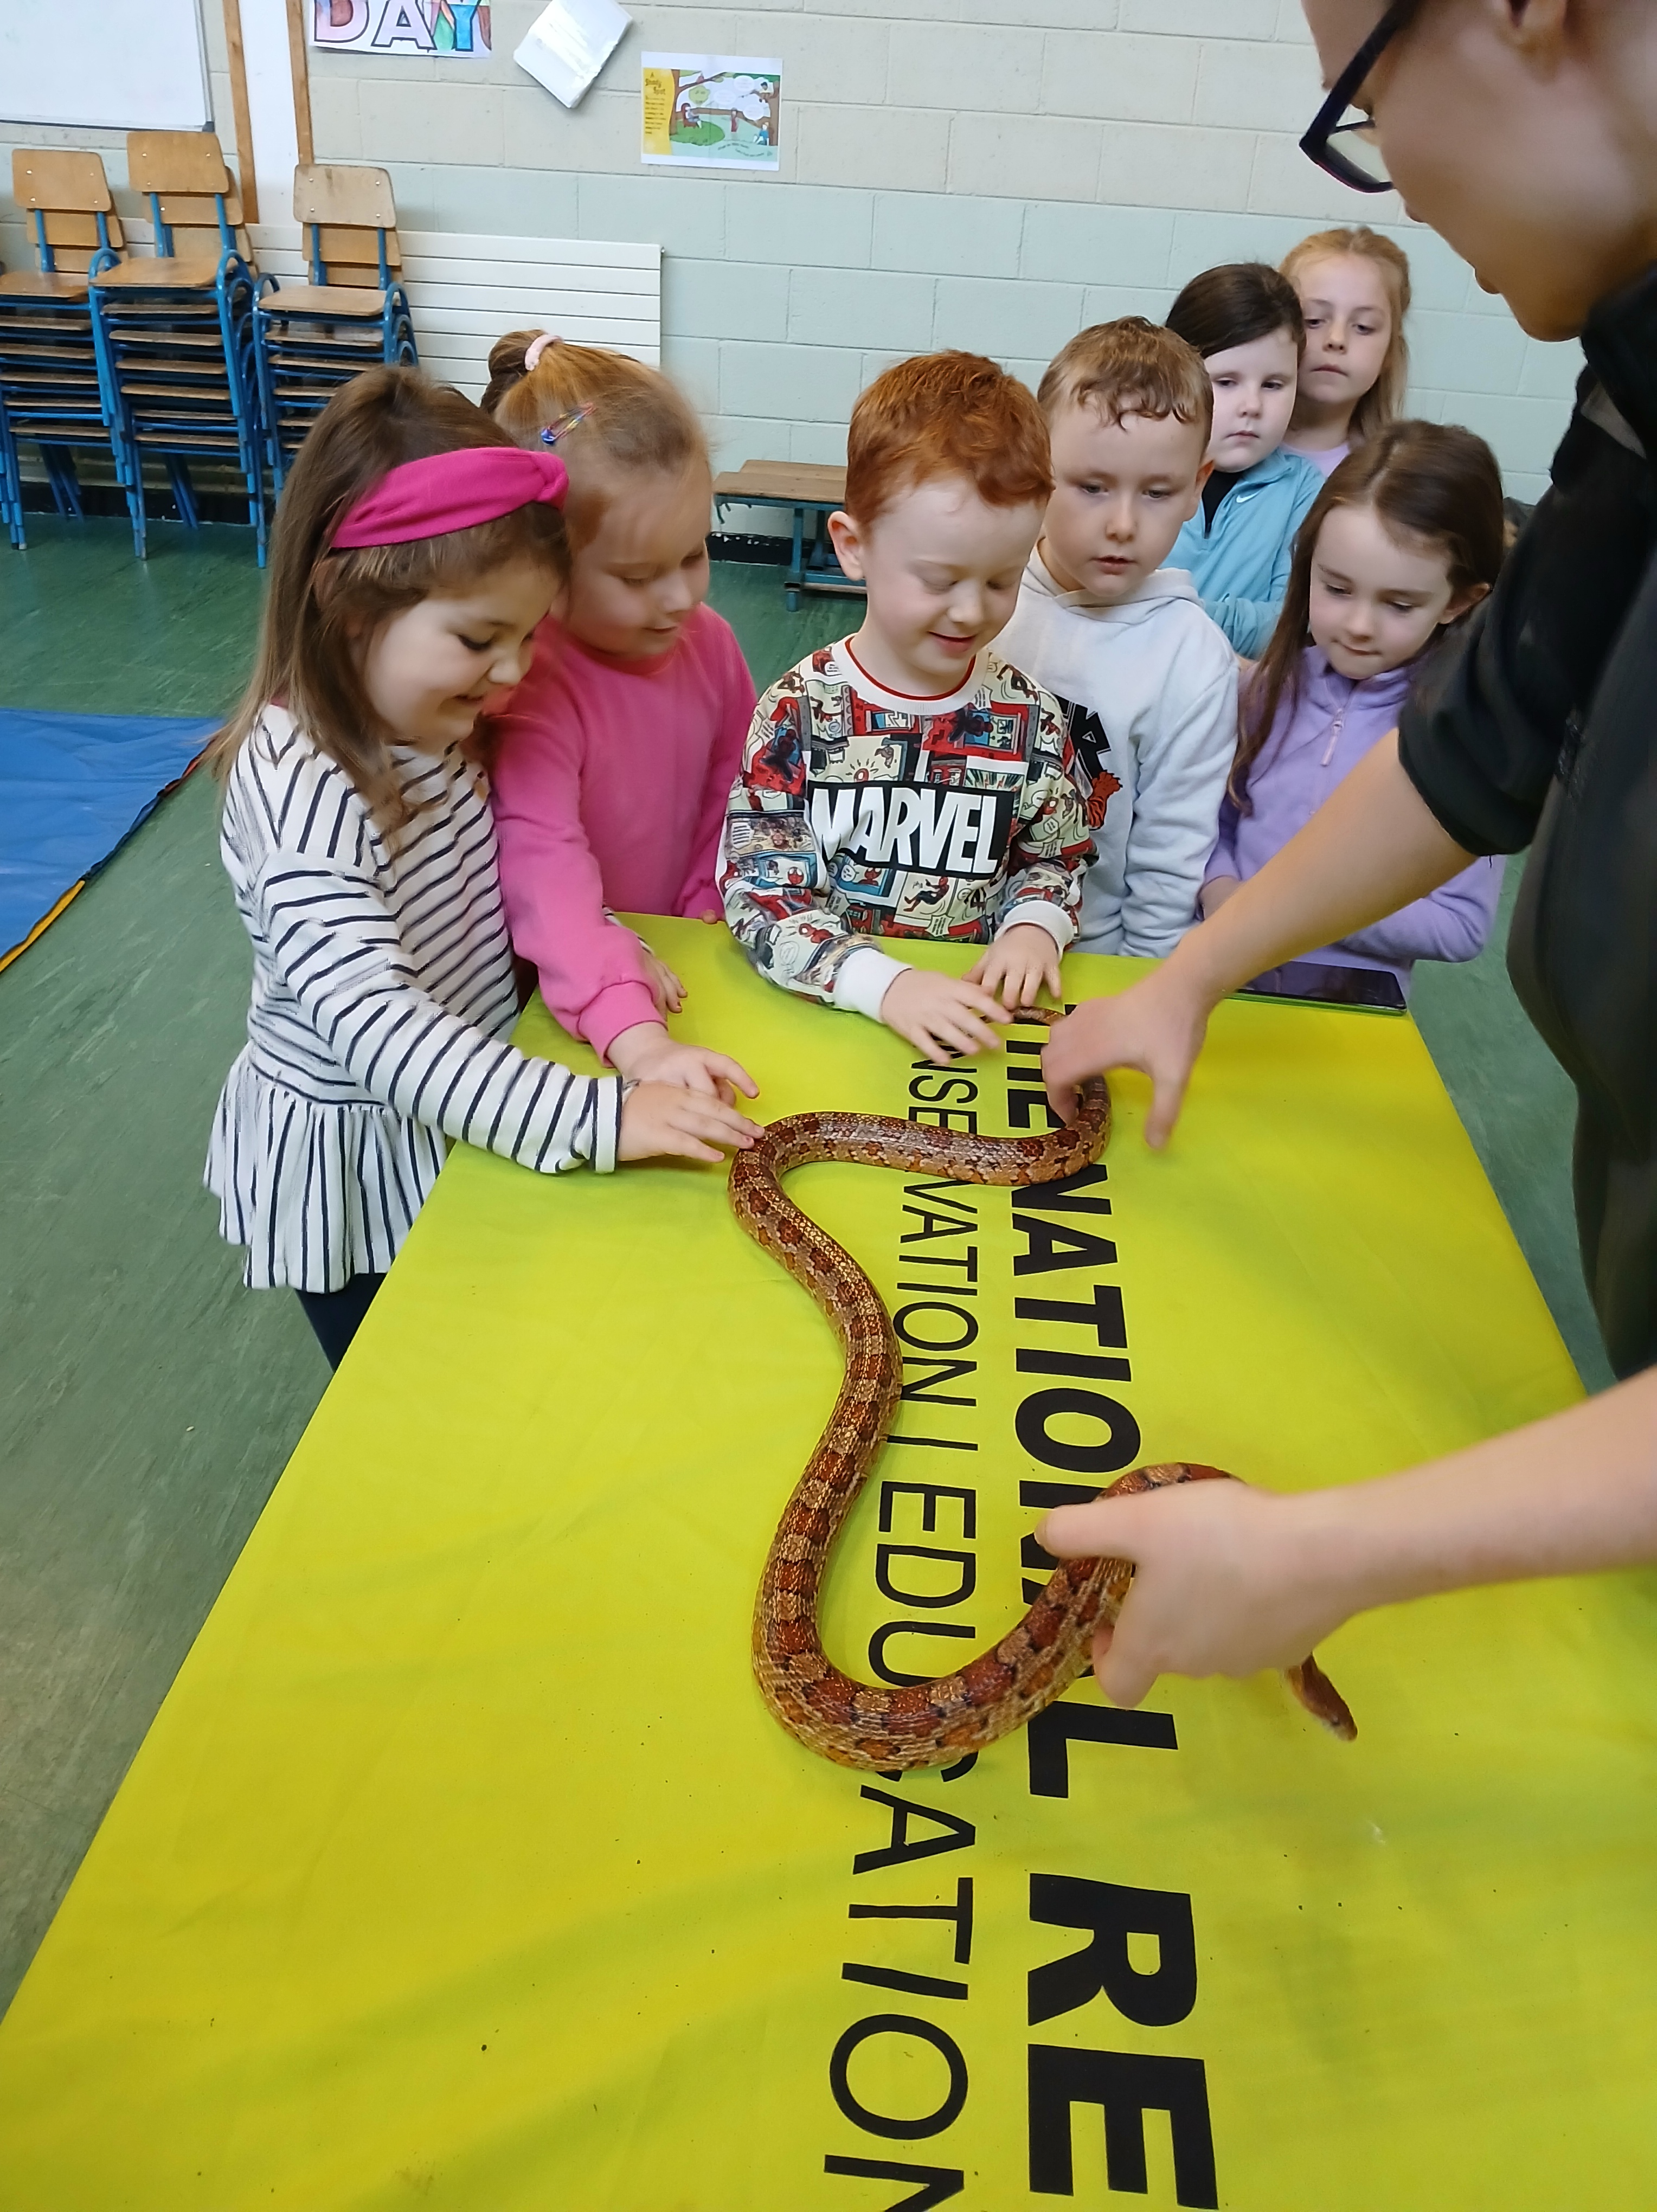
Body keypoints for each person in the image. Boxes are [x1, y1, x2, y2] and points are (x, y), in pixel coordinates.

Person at [1037, 0, 1657, 1713]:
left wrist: (1339, 1549)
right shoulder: (1634, 389)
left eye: (1361, 104)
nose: (1392, 179)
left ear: (1527, 16)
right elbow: (1476, 745)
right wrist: (1191, 974)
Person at [204, 368, 755, 1368]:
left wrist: (610, 939)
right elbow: (380, 1029)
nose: (514, 672)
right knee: (406, 1388)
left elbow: (504, 880)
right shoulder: (301, 791)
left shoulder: (440, 724)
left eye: (529, 634)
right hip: (364, 1161)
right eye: (479, 639)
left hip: (467, 1108)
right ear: (349, 606)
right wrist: (605, 1114)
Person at [720, 351, 1095, 1066]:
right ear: (853, 547)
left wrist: (1035, 925)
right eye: (939, 580)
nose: (971, 611)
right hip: (829, 1020)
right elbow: (761, 893)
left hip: (974, 1035)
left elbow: (1057, 857)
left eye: (1001, 580)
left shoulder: (1032, 718)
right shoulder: (798, 713)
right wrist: (883, 986)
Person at [479, 334, 757, 1096]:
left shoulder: (711, 643)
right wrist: (634, 1035)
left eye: (694, 555)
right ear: (545, 566)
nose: (680, 598)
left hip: (690, 962)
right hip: (572, 1002)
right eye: (637, 577)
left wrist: (707, 900)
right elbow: (546, 868)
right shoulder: (535, 687)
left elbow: (734, 789)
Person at [1204, 420, 1506, 992]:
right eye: (1336, 589)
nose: (1359, 625)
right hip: (1230, 985)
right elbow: (1215, 824)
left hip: (1354, 1008)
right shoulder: (1263, 690)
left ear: (1458, 601)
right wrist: (1219, 892)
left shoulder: (1463, 740)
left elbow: (1462, 925)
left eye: (1399, 604)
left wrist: (1294, 910)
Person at [994, 318, 1239, 959]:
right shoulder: (985, 598)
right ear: (1038, 464)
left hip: (1091, 956)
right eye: (1092, 487)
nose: (1122, 524)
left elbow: (1170, 858)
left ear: (1196, 487)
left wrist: (1137, 985)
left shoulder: (1190, 659)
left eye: (1156, 492)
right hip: (947, 937)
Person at [1164, 263, 1326, 658]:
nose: (1252, 405)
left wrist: (1165, 615)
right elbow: (1103, 595)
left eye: (1273, 385)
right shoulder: (1138, 471)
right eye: (1226, 382)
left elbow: (1291, 622)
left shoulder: (1304, 489)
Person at [1281, 226, 1412, 480]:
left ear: (1390, 352)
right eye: (1313, 321)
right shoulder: (1214, 451)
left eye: (1363, 327)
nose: (1336, 340)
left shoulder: (1395, 478)